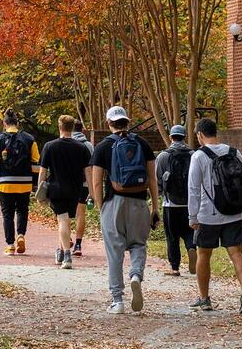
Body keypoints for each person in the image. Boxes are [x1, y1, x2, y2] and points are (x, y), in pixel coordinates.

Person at [91, 106, 160, 314]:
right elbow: (152, 179)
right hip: (139, 203)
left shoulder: (103, 147)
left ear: (109, 123)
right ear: (127, 122)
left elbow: (96, 183)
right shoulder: (142, 144)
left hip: (114, 203)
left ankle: (117, 300)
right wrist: (155, 207)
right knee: (139, 244)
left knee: (115, 251)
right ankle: (136, 276)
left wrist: (100, 205)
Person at [187, 118, 242, 314]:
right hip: (234, 213)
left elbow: (193, 188)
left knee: (203, 254)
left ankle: (204, 298)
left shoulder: (199, 156)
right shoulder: (233, 152)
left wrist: (192, 217)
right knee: (236, 253)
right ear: (215, 132)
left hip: (207, 215)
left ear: (200, 135)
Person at [39, 115, 92, 269]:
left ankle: (66, 255)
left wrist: (40, 191)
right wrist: (92, 192)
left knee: (62, 220)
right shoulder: (81, 148)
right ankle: (61, 251)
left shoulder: (50, 146)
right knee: (67, 219)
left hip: (56, 188)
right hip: (75, 189)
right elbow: (88, 171)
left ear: (59, 126)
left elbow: (43, 172)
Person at [0, 108, 39, 256]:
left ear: (4, 123)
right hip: (24, 182)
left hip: (5, 183)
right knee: (22, 210)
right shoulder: (29, 140)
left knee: (7, 214)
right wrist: (34, 182)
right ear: (17, 123)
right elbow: (36, 162)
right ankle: (21, 234)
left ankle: (10, 245)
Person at [155, 124, 196, 276]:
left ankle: (175, 267)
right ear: (184, 136)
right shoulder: (193, 154)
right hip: (190, 202)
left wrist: (160, 194)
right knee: (189, 231)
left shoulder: (163, 156)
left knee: (172, 236)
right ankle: (192, 247)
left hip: (170, 203)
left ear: (171, 137)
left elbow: (157, 178)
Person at [71, 119, 94, 256]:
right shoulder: (89, 146)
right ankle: (78, 244)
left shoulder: (66, 143)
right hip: (85, 183)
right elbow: (92, 167)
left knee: (65, 214)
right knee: (81, 214)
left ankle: (66, 239)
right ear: (82, 130)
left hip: (68, 184)